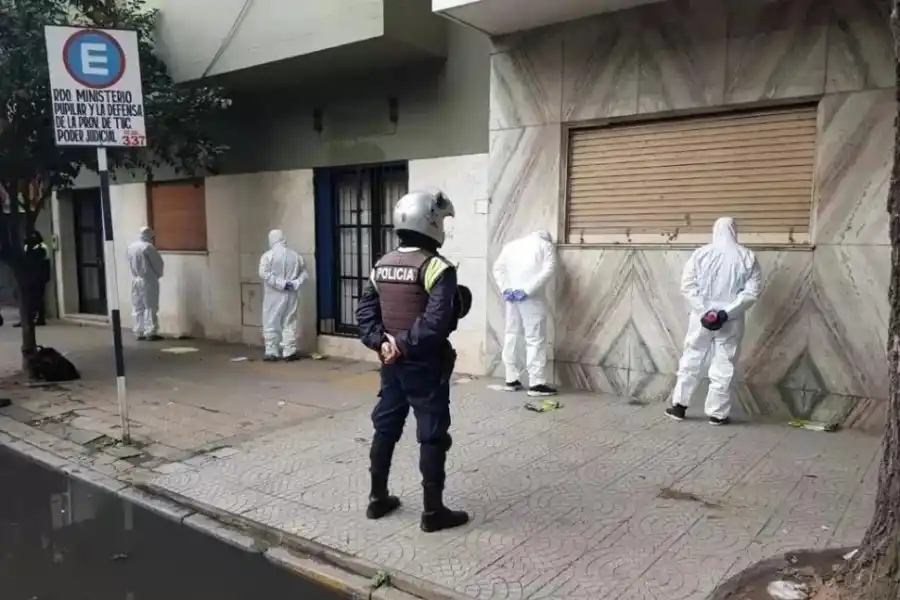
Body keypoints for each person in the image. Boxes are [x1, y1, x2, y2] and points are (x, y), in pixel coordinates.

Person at [356, 189, 473, 533]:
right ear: (431, 222)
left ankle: (378, 499)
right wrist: (405, 345)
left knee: (385, 428)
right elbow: (436, 322)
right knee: (432, 435)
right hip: (425, 366)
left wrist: (382, 343)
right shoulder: (437, 267)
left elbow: (365, 312)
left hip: (391, 365)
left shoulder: (382, 264)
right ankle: (433, 512)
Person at [666, 217, 762, 426]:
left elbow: (688, 286)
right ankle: (717, 414)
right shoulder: (747, 257)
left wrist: (705, 311)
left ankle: (679, 406)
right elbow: (751, 293)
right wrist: (725, 314)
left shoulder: (701, 254)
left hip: (700, 318)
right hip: (731, 320)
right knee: (724, 362)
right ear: (735, 231)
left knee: (692, 356)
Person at [492, 230, 558, 397]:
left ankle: (511, 379)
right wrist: (527, 290)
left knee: (511, 334)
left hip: (511, 297)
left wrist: (505, 288)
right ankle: (536, 383)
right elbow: (549, 269)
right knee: (535, 338)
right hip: (532, 298)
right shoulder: (546, 245)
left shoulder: (511, 246)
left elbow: (498, 267)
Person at [259, 229, 308, 362]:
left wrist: (281, 284)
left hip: (274, 295)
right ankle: (289, 351)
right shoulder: (296, 256)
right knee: (290, 321)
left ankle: (271, 350)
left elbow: (264, 274)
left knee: (271, 321)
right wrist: (295, 283)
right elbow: (304, 273)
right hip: (292, 294)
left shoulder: (267, 256)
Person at [127, 226, 164, 341]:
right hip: (148, 279)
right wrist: (157, 275)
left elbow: (128, 262)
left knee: (138, 306)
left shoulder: (131, 247)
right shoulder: (148, 247)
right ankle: (151, 331)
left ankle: (139, 331)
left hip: (135, 279)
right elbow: (158, 264)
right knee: (150, 306)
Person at [14, 231, 51, 328]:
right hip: (28, 277)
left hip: (38, 277)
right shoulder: (27, 247)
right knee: (24, 297)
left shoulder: (41, 248)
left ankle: (39, 318)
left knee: (37, 298)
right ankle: (27, 318)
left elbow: (39, 261)